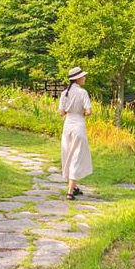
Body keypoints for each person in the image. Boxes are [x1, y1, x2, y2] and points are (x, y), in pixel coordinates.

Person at [58, 66, 92, 200]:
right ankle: (70, 192)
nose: (84, 78)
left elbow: (61, 113)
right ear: (77, 79)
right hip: (78, 125)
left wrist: (70, 109)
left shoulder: (64, 93)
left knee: (68, 154)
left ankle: (75, 187)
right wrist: (82, 112)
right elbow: (88, 111)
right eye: (83, 76)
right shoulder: (83, 92)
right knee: (77, 156)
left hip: (67, 126)